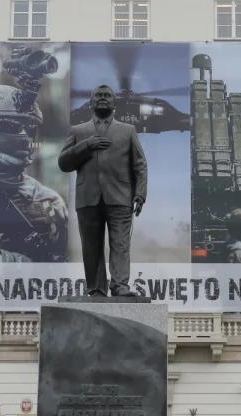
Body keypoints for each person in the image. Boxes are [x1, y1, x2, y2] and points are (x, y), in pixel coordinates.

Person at [58, 84, 148, 297]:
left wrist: (140, 193)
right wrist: (86, 145)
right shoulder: (78, 131)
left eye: (107, 95)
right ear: (91, 101)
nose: (103, 98)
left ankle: (120, 286)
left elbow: (140, 165)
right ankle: (96, 289)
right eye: (98, 95)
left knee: (120, 244)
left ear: (114, 102)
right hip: (88, 198)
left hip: (120, 197)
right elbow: (63, 163)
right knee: (91, 247)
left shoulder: (128, 131)